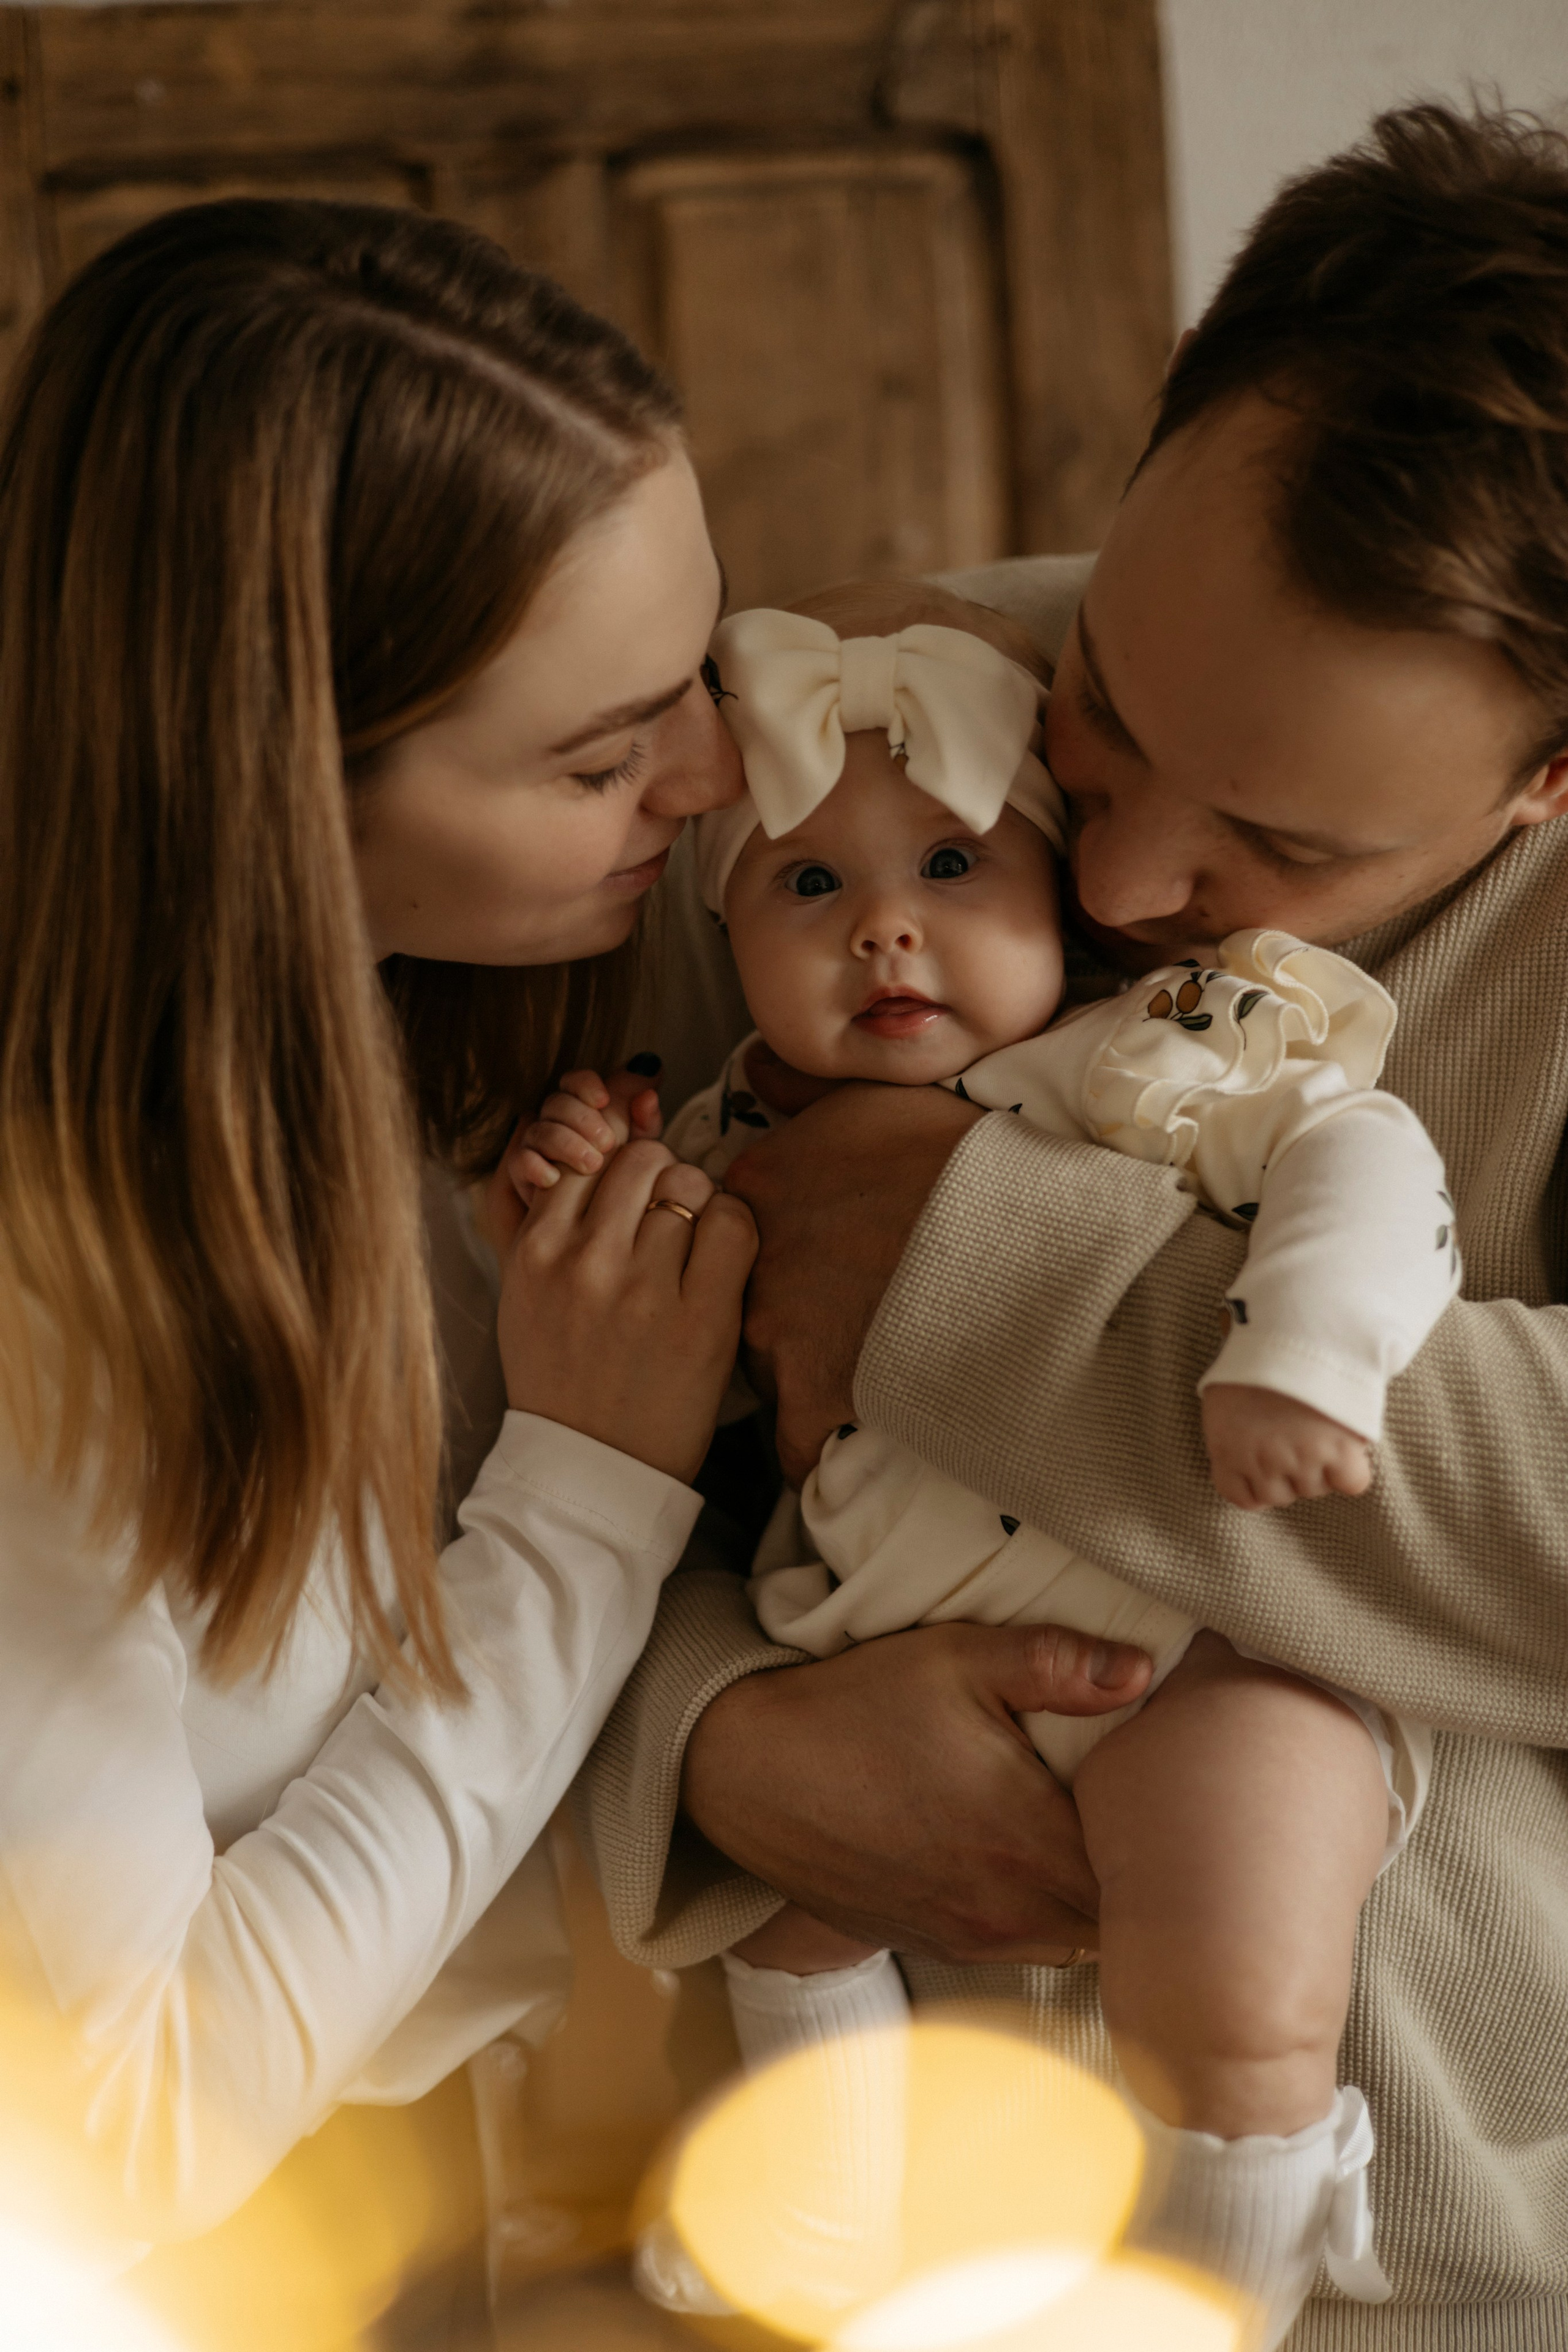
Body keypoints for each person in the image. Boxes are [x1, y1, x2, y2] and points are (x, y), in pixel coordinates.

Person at [577, 103, 1568, 2343]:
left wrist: (962, 1264)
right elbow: (470, 1433)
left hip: (1416, 2280)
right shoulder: (870, 738)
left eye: (1279, 844)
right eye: (1112, 715)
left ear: (1550, 778)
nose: (1112, 890)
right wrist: (712, 1744)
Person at [0, 192, 798, 2338]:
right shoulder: (52, 1294)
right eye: (602, 755)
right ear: (276, 784)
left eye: (699, 674)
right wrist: (587, 1497)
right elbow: (127, 2120)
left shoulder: (385, 1028)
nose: (719, 781)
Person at [533, 571, 1457, 2337]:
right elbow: (625, 1418)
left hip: (1181, 1650)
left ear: (1069, 908)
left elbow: (1369, 1159)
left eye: (952, 871)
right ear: (728, 942)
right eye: (811, 887)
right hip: (862, 1662)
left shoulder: (1146, 1066)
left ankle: (1230, 2263)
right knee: (788, 1923)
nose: (886, 933)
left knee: (1241, 1951)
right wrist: (583, 1202)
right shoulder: (727, 1142)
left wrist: (1304, 1357)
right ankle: (811, 2203)